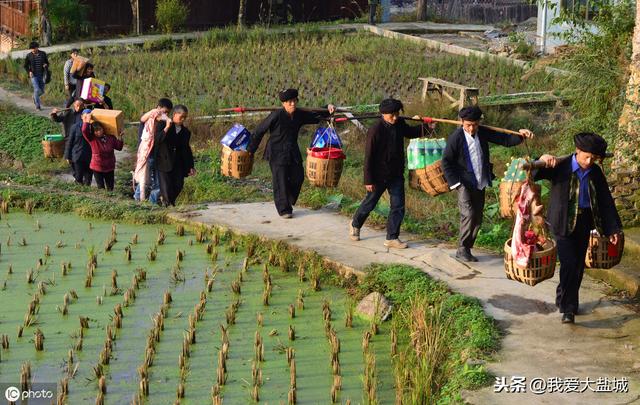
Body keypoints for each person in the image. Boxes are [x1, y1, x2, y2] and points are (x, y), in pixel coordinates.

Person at [536, 133, 622, 324]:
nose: (589, 161)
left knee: (577, 266)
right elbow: (534, 172)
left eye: (593, 158)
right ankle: (569, 308)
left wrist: (613, 229)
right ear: (577, 151)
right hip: (562, 222)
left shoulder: (595, 173)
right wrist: (541, 159)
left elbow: (606, 202)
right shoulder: (560, 167)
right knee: (569, 263)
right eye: (586, 156)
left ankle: (563, 297)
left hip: (585, 222)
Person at [442, 106, 534, 262]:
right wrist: (456, 183)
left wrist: (521, 136)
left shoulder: (482, 132)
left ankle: (467, 248)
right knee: (468, 214)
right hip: (463, 182)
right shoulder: (456, 138)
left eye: (475, 125)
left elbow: (504, 140)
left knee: (477, 217)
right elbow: (446, 162)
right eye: (468, 125)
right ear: (462, 122)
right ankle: (462, 248)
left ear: (479, 123)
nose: (471, 129)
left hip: (480, 181)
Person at [247, 89, 335, 218]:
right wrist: (250, 150)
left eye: (294, 101)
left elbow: (314, 116)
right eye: (289, 102)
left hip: (292, 151)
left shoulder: (299, 114)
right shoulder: (276, 115)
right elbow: (259, 131)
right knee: (280, 181)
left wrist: (327, 108)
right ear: (283, 103)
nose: (293, 104)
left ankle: (288, 199)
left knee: (298, 177)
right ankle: (284, 210)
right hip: (276, 152)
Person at [349, 98, 424, 249]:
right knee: (370, 203)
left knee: (398, 206)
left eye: (397, 114)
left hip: (396, 173)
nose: (395, 117)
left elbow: (411, 132)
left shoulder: (400, 124)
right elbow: (368, 157)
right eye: (392, 115)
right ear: (383, 114)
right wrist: (368, 180)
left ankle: (392, 237)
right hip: (378, 175)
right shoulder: (375, 130)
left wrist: (426, 127)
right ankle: (355, 224)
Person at [134, 98, 173, 201]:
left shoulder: (152, 119)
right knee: (148, 181)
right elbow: (156, 139)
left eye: (167, 113)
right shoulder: (151, 120)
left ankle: (144, 200)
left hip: (152, 154)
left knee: (148, 180)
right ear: (158, 108)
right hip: (149, 154)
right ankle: (143, 200)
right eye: (164, 112)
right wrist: (166, 128)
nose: (165, 115)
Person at [155, 105, 195, 206]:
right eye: (181, 117)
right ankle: (168, 205)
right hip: (163, 161)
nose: (183, 119)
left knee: (178, 185)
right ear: (174, 114)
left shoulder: (186, 132)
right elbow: (157, 140)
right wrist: (167, 127)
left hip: (178, 163)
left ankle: (165, 201)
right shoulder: (163, 125)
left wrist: (191, 166)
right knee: (166, 187)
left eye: (185, 117)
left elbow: (186, 149)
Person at [81, 114, 124, 191]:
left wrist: (120, 138)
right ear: (93, 132)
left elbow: (119, 147)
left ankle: (111, 201)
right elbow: (84, 131)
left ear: (103, 129)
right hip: (97, 167)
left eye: (100, 129)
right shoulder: (92, 139)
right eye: (96, 131)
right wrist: (86, 121)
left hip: (109, 167)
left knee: (110, 188)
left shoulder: (110, 137)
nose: (98, 132)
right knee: (101, 188)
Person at [64, 108, 93, 186]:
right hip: (77, 156)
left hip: (90, 157)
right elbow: (70, 142)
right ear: (81, 117)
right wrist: (68, 156)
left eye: (89, 116)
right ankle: (79, 193)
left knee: (88, 178)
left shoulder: (93, 128)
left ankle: (88, 195)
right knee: (78, 177)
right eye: (85, 116)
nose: (87, 118)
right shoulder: (75, 127)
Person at [23, 42, 49, 110]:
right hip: (34, 76)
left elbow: (47, 62)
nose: (32, 50)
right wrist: (29, 71)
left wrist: (45, 65)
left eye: (33, 48)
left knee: (42, 91)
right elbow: (25, 66)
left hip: (42, 75)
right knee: (37, 90)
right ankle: (38, 106)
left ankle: (34, 96)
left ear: (37, 47)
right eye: (31, 49)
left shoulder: (43, 54)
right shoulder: (29, 55)